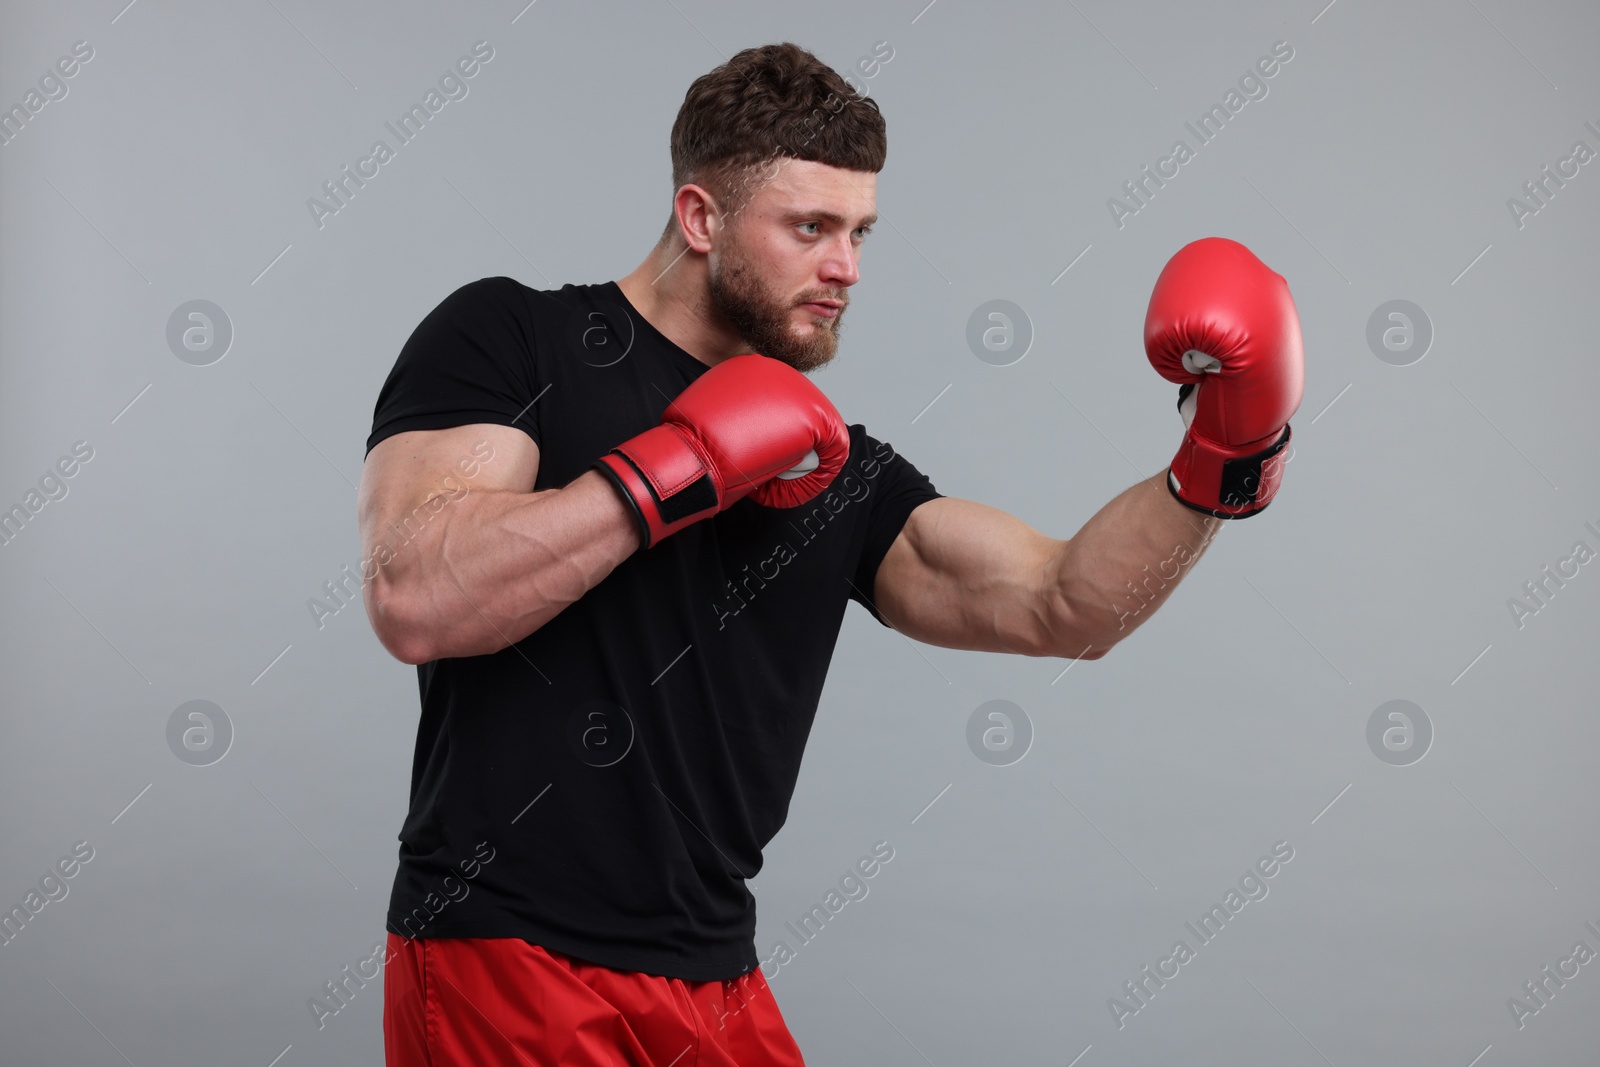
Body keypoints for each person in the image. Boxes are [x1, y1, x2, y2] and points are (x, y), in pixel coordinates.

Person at [357, 40, 1303, 1067]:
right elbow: (415, 590)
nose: (846, 266)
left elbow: (1059, 602)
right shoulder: (513, 338)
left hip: (712, 973)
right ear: (700, 217)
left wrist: (1223, 456)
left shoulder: (831, 462)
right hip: (509, 951)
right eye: (810, 227)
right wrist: (681, 465)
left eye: (859, 230)